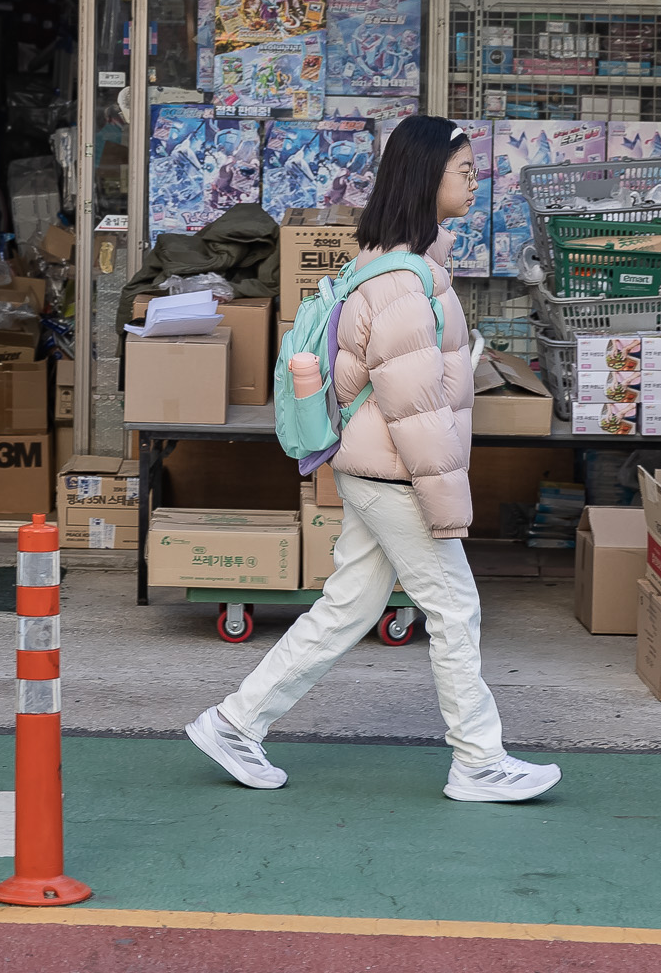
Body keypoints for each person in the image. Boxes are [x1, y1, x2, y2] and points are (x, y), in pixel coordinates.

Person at [184, 116, 562, 805]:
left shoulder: (398, 263)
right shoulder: (405, 282)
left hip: (373, 467)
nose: (475, 178)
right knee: (454, 605)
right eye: (463, 168)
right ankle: (478, 759)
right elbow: (413, 411)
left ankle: (234, 722)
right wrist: (447, 505)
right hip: (393, 472)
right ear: (426, 178)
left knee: (347, 607)